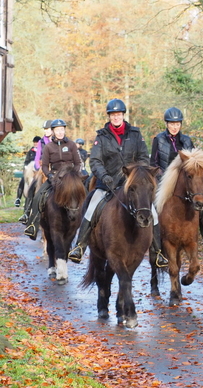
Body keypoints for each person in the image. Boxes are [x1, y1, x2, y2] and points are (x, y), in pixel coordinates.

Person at [68, 99, 168, 267]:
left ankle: (157, 252)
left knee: (152, 212)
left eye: (118, 114)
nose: (116, 117)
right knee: (92, 204)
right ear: (109, 116)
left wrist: (137, 174)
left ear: (123, 115)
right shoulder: (102, 136)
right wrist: (104, 175)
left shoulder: (135, 134)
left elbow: (144, 158)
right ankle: (80, 246)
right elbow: (96, 161)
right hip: (108, 183)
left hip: (133, 184)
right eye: (113, 115)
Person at [150, 107, 203, 244]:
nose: (174, 127)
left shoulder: (187, 140)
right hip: (164, 180)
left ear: (180, 124)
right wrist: (162, 176)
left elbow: (194, 160)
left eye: (177, 124)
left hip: (183, 181)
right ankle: (153, 239)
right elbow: (153, 163)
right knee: (150, 204)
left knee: (200, 199)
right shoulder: (159, 139)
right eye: (171, 124)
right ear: (166, 124)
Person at [24, 120, 82, 239]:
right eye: (57, 130)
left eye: (62, 129)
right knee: (38, 196)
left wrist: (73, 174)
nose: (60, 132)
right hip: (55, 176)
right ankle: (32, 225)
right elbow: (45, 165)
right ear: (53, 131)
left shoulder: (71, 144)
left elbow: (77, 163)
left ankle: (85, 227)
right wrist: (50, 175)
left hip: (70, 176)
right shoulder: (49, 147)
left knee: (84, 193)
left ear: (64, 130)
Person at [19, 121, 53, 224]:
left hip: (55, 169)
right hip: (42, 169)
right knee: (32, 187)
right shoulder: (41, 142)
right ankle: (27, 212)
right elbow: (38, 156)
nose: (45, 131)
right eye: (44, 129)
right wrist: (39, 167)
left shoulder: (57, 141)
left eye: (47, 129)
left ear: (53, 129)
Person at [15, 136, 41, 207]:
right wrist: (26, 166)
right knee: (23, 180)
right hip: (30, 170)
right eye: (34, 142)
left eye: (37, 142)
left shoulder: (42, 151)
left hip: (38, 170)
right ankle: (18, 198)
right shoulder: (30, 151)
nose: (35, 144)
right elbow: (26, 161)